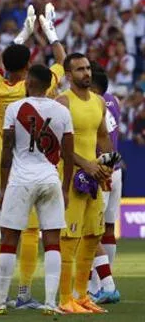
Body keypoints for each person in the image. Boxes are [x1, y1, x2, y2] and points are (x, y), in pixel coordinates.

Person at [0, 64, 74, 316]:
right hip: (50, 179)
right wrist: (65, 188)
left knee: (9, 240)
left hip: (20, 181)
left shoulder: (14, 109)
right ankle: (51, 303)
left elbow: (7, 150)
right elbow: (69, 154)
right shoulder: (62, 110)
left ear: (29, 82)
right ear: (48, 84)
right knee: (52, 242)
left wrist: (2, 188)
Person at [0, 3, 66, 309]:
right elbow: (62, 60)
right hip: (41, 161)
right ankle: (24, 292)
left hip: (7, 161)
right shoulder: (36, 86)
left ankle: (2, 294)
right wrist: (48, 32)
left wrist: (22, 33)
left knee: (9, 230)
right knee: (35, 231)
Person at [55, 53, 119, 314]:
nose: (86, 73)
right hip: (71, 178)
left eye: (88, 68)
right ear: (68, 76)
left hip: (93, 179)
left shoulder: (99, 102)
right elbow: (57, 146)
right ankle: (64, 298)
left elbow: (103, 138)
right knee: (69, 239)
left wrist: (108, 165)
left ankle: (82, 295)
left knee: (93, 236)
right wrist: (86, 163)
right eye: (80, 69)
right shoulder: (62, 103)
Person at [87, 65, 121, 304]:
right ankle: (106, 280)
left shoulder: (93, 104)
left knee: (90, 230)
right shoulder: (114, 101)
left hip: (101, 172)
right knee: (108, 228)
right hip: (115, 170)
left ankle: (98, 285)